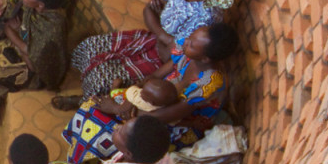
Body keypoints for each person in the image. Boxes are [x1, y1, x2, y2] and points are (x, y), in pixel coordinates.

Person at [63, 0, 243, 98]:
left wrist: (158, 24)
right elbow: (148, 10)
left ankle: (85, 102)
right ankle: (83, 89)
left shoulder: (206, 16)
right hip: (150, 39)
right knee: (90, 47)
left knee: (101, 80)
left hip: (163, 61)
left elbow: (176, 54)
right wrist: (163, 35)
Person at [57, 22, 237, 132]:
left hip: (182, 122)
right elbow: (161, 72)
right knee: (102, 103)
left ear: (206, 58)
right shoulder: (188, 53)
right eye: (190, 37)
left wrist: (120, 108)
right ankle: (89, 103)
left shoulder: (208, 84)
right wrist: (135, 91)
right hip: (160, 98)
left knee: (117, 128)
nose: (185, 41)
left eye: (191, 44)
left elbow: (166, 116)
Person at [60, 71, 183, 164]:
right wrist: (125, 103)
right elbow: (135, 91)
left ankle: (84, 158)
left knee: (95, 135)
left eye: (144, 94)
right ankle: (76, 143)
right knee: (92, 105)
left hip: (133, 120)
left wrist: (117, 109)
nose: (140, 93)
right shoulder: (143, 94)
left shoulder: (156, 109)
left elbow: (143, 117)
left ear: (152, 102)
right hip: (127, 111)